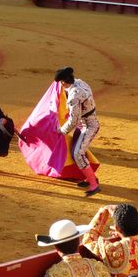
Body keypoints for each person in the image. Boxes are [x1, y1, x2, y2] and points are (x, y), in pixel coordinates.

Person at [54, 67, 101, 196]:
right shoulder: (80, 82)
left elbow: (74, 121)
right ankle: (90, 178)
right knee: (76, 150)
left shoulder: (74, 96)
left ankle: (94, 184)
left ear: (63, 82)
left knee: (77, 153)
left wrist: (61, 131)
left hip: (89, 126)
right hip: (84, 124)